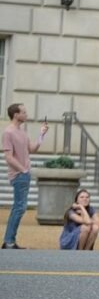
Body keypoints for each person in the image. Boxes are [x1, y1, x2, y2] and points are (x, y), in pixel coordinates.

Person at [3, 103, 48, 249]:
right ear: (16, 115)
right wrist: (23, 170)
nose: (26, 114)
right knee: (19, 207)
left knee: (19, 207)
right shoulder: (8, 132)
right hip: (18, 174)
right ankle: (9, 241)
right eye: (24, 112)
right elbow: (8, 157)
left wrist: (41, 134)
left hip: (24, 174)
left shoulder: (22, 131)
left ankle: (9, 241)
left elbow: (32, 149)